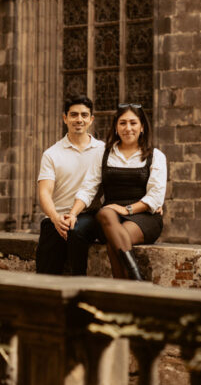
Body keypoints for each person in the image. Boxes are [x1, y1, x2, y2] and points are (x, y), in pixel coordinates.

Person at [69, 103, 167, 281]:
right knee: (107, 214)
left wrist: (126, 209)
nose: (127, 128)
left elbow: (155, 197)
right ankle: (135, 282)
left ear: (142, 126)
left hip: (144, 216)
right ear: (115, 127)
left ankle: (126, 286)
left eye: (133, 123)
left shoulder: (156, 156)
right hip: (110, 218)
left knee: (116, 238)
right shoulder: (103, 154)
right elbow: (88, 189)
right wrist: (73, 214)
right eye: (122, 123)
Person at [35, 95, 105, 275]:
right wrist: (55, 217)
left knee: (76, 231)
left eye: (84, 115)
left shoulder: (103, 150)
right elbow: (44, 193)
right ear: (65, 118)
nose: (79, 119)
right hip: (56, 216)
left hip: (88, 216)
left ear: (91, 119)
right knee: (46, 275)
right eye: (74, 115)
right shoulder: (51, 154)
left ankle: (78, 288)